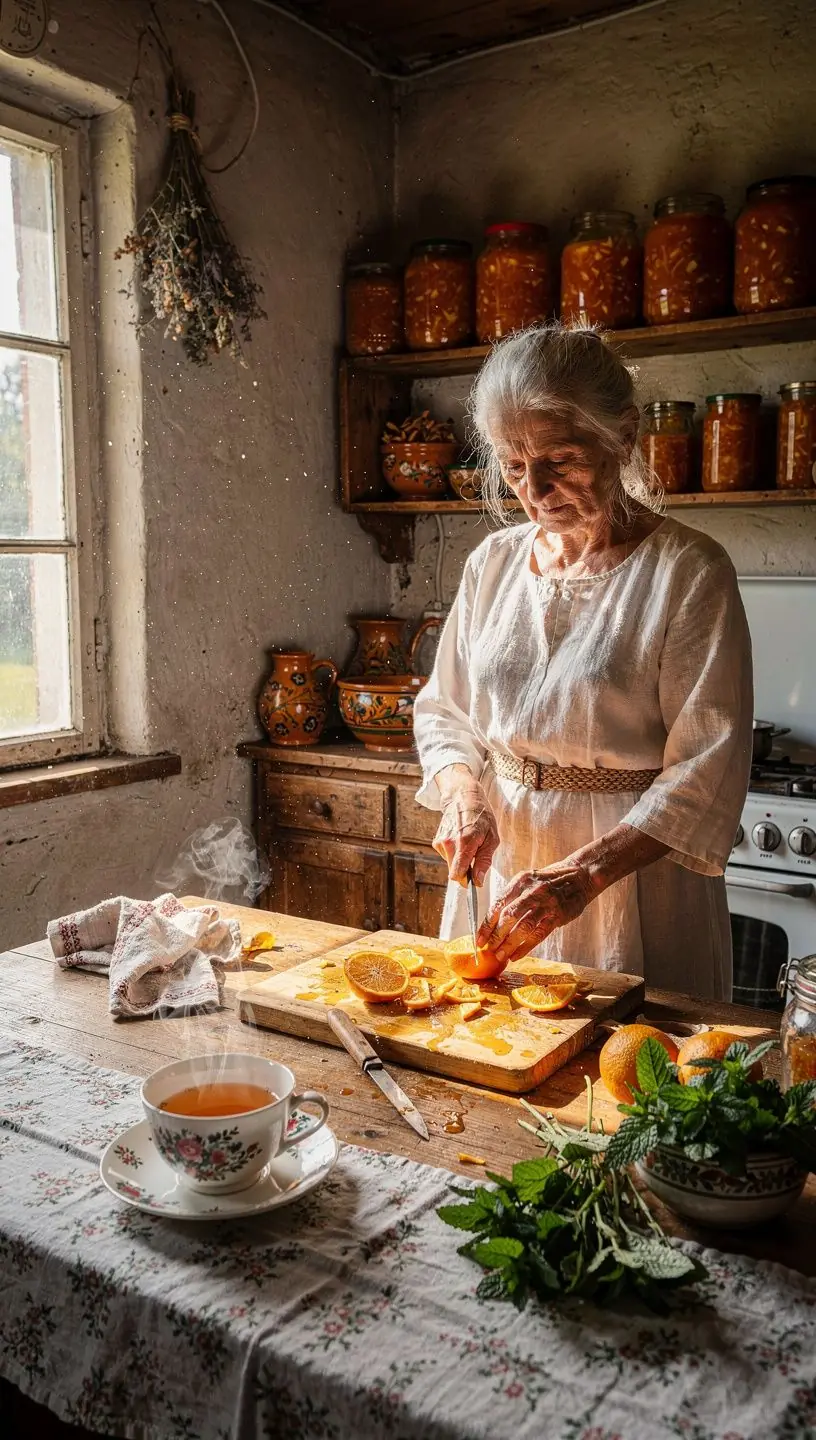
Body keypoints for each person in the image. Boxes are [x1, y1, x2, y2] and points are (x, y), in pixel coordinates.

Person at [412, 324, 753, 999]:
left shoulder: (688, 571)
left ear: (622, 436)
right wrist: (463, 797)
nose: (535, 490)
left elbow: (705, 765)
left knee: (637, 1054)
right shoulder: (492, 564)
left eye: (560, 460)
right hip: (506, 865)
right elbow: (445, 709)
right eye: (513, 466)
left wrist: (584, 875)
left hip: (630, 877)